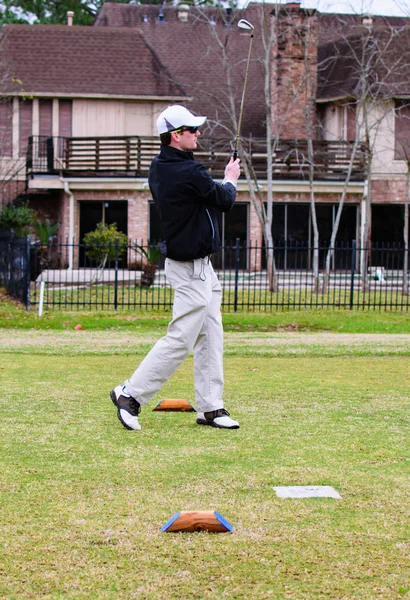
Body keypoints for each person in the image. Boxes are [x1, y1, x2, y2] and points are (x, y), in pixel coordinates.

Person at [110, 105, 241, 431]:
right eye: (191, 129)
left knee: (211, 335)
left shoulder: (163, 166)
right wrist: (230, 179)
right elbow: (224, 200)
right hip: (189, 269)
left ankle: (211, 407)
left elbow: (202, 193)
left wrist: (217, 182)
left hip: (201, 268)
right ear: (174, 135)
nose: (198, 133)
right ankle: (130, 394)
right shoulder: (187, 171)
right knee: (181, 338)